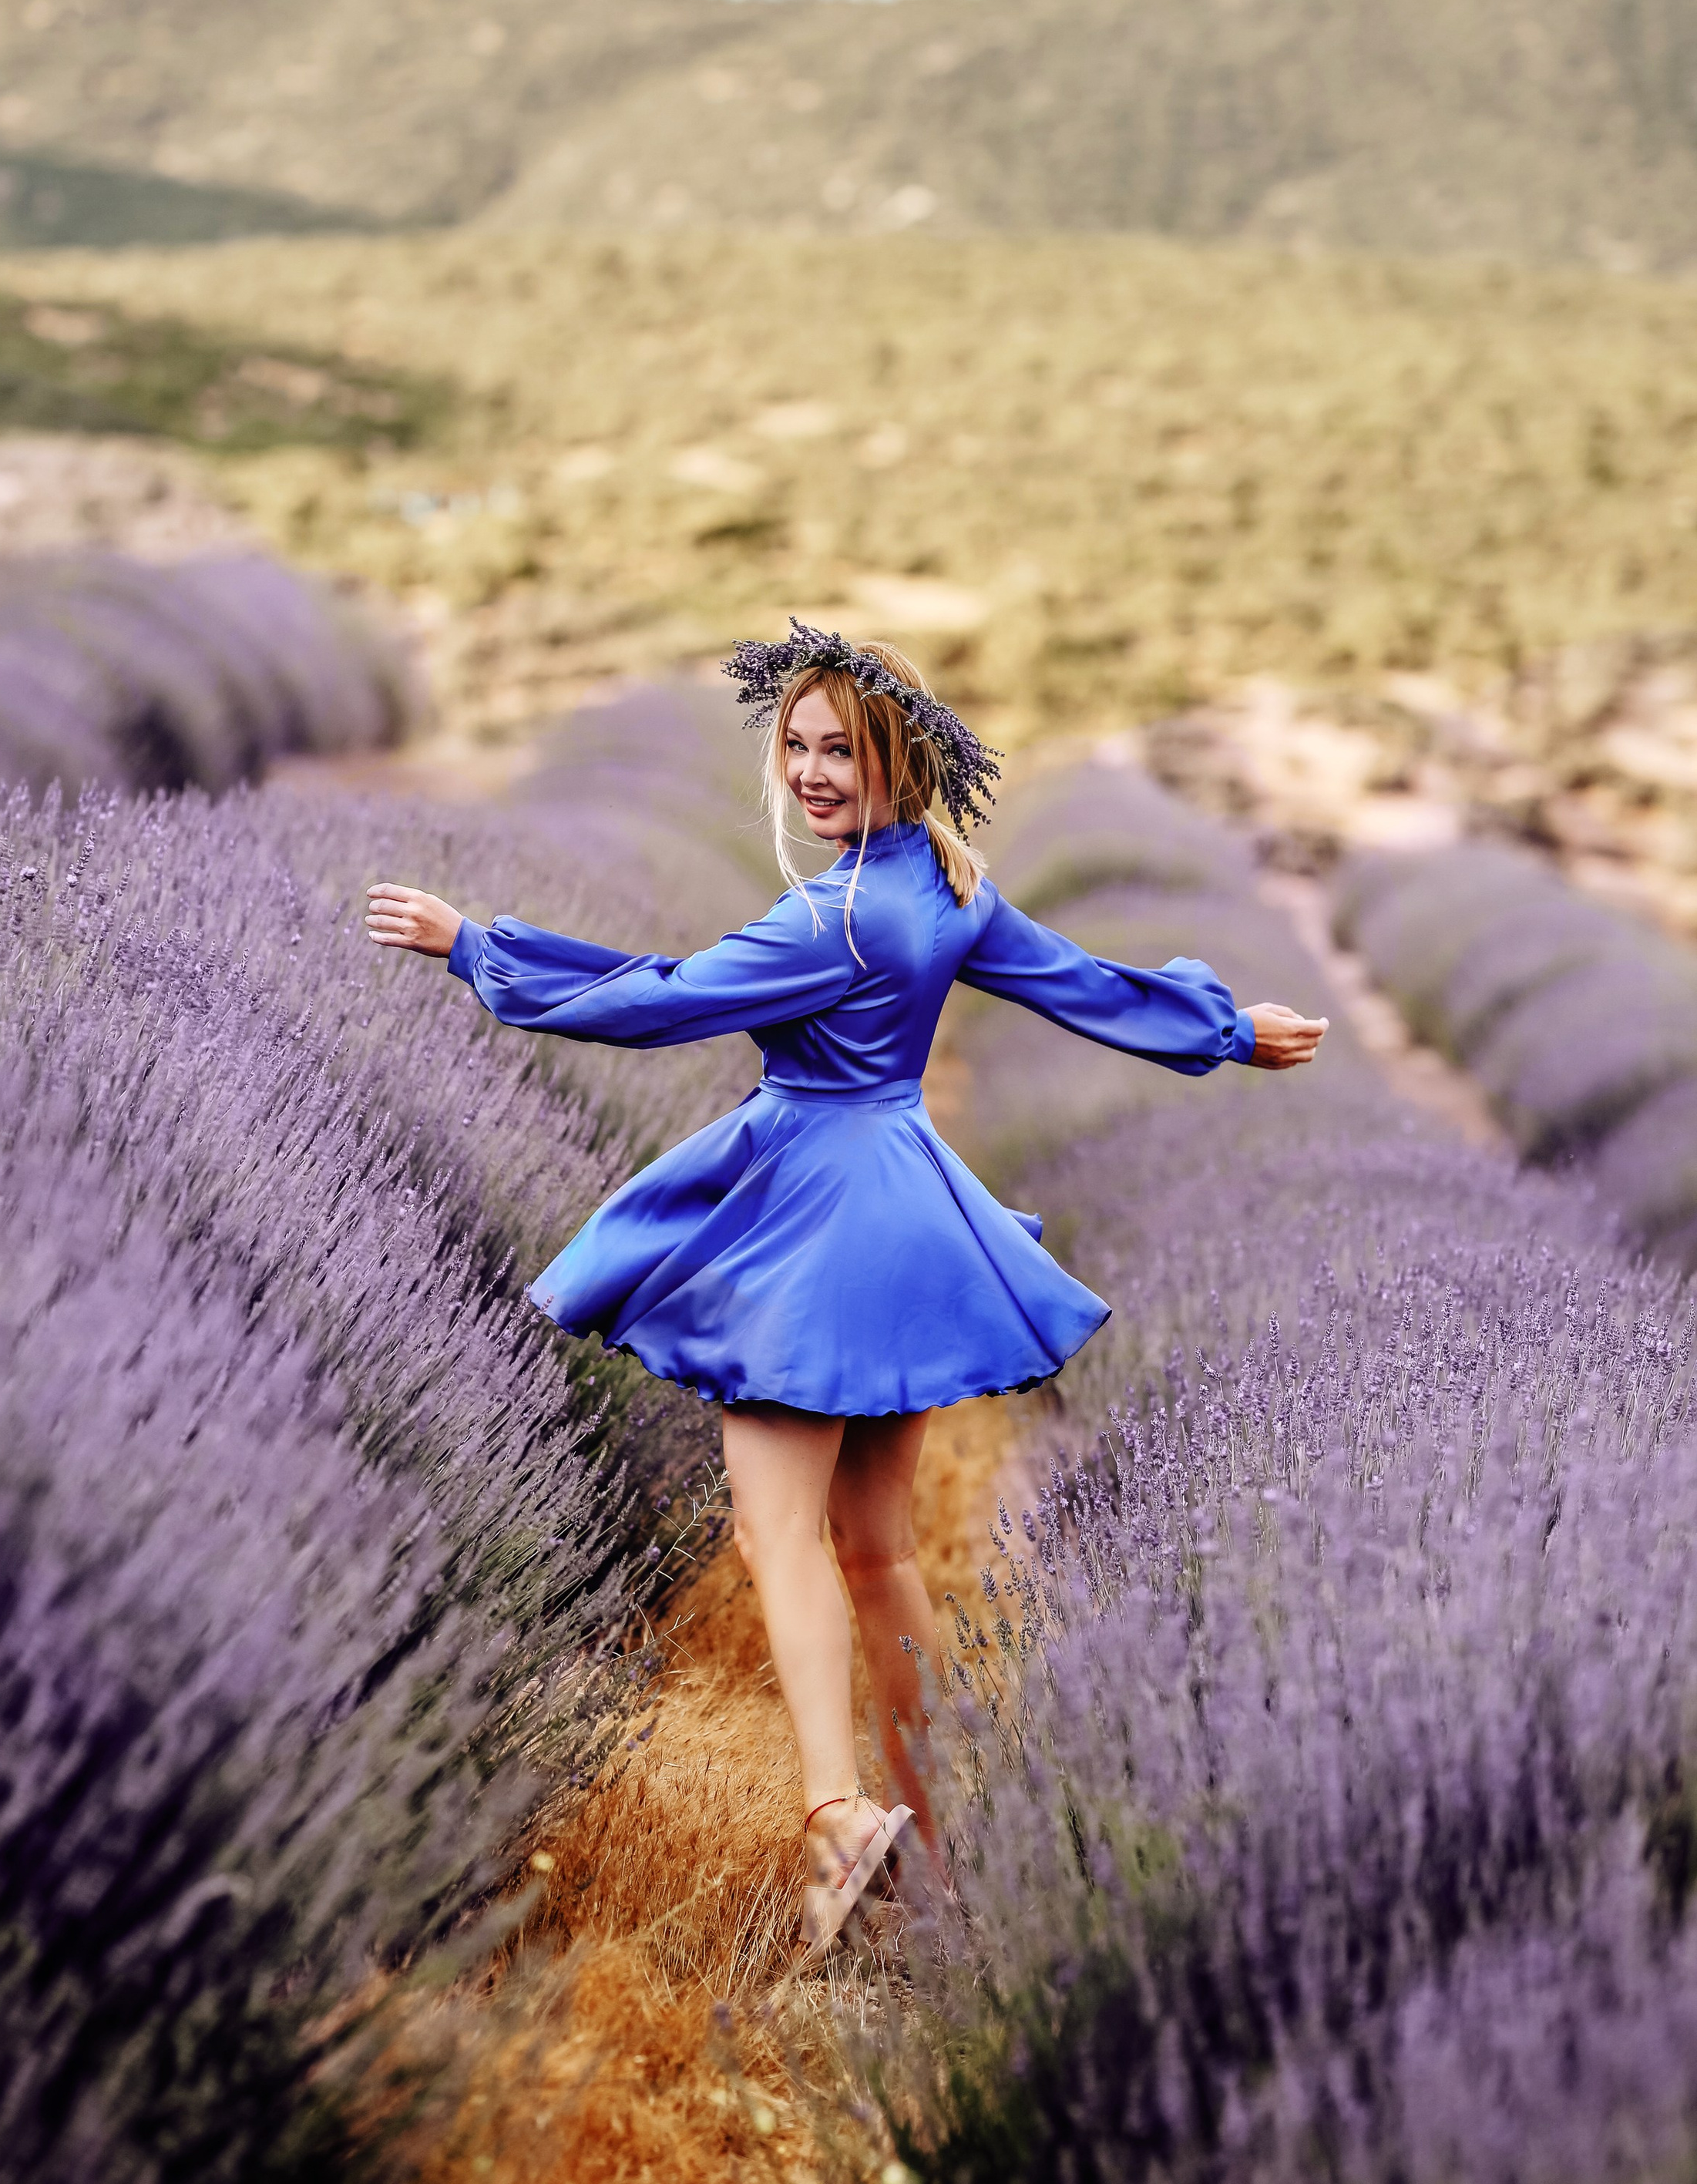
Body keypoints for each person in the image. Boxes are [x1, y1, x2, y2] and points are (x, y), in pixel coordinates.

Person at [366, 625, 1326, 1955]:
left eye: (845, 753)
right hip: (909, 1210)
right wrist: (1228, 1029)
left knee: (778, 1536)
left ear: (901, 766)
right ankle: (941, 1852)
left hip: (812, 1217)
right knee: (876, 1549)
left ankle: (834, 1819)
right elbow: (1081, 986)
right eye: (801, 747)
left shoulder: (832, 919)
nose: (816, 772)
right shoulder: (942, 884)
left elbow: (657, 1004)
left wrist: (478, 947)